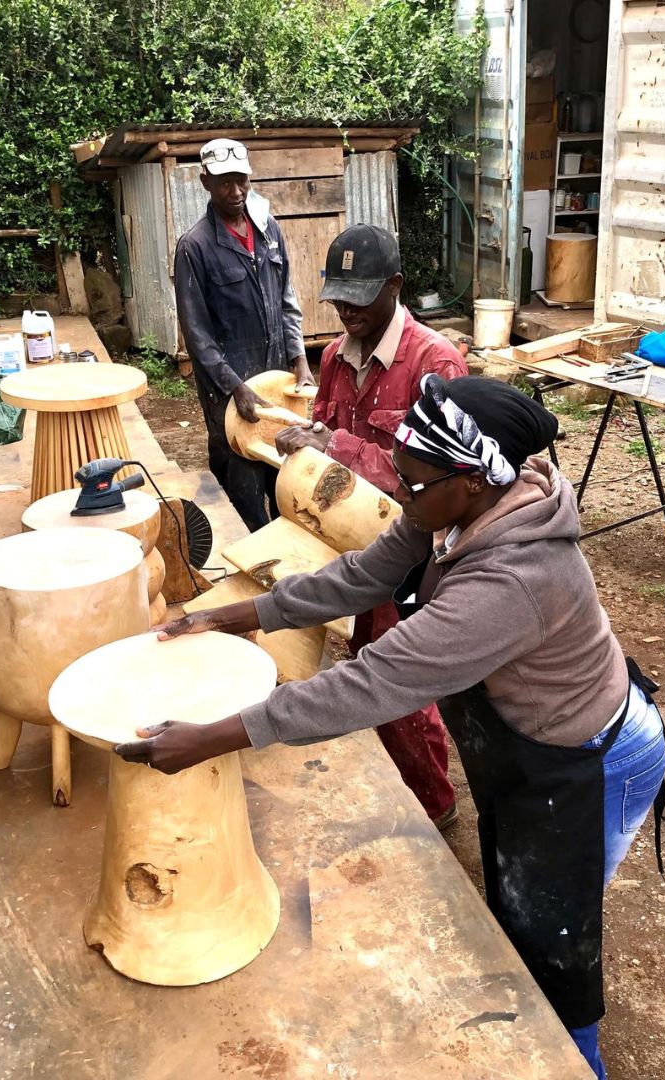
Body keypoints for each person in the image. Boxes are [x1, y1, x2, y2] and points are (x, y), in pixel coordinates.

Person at [115, 375, 665, 1079]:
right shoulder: (452, 497)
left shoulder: (514, 581)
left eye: (411, 485)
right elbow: (362, 575)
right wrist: (234, 612)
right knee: (517, 904)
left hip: (592, 759)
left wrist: (210, 736)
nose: (398, 498)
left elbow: (370, 683)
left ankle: (576, 1061)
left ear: (468, 482)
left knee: (554, 945)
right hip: (528, 744)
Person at [273, 224, 466, 827]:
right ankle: (407, 791)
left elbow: (449, 483)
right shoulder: (331, 358)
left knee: (396, 679)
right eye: (338, 295)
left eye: (361, 294)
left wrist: (340, 445)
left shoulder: (437, 364)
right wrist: (304, 448)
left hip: (414, 551)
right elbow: (326, 452)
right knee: (356, 658)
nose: (347, 308)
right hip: (348, 545)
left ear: (395, 287)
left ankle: (435, 807)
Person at [174, 138, 314, 531]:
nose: (235, 192)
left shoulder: (269, 231)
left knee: (283, 472)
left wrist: (300, 361)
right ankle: (256, 557)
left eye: (241, 181)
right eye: (223, 183)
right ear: (205, 182)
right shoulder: (195, 247)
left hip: (272, 380)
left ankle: (288, 561)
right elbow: (197, 335)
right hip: (227, 391)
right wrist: (235, 387)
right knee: (242, 483)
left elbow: (287, 300)